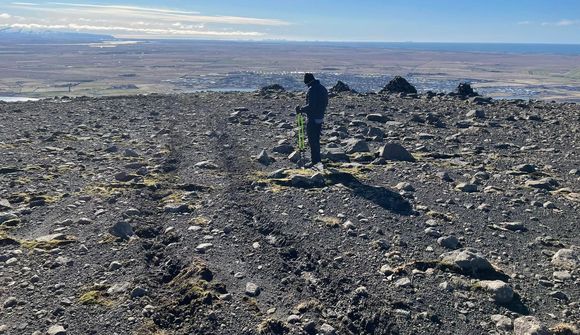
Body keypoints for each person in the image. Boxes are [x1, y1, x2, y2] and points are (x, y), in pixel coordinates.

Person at [296, 73, 328, 167]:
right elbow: (325, 103)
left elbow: (311, 106)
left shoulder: (312, 89)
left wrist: (301, 109)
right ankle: (318, 160)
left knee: (312, 140)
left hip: (313, 118)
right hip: (320, 117)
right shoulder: (322, 88)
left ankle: (315, 161)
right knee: (316, 140)